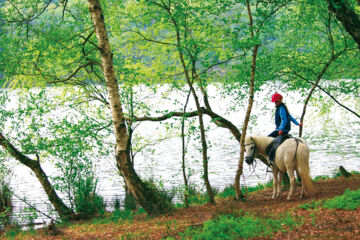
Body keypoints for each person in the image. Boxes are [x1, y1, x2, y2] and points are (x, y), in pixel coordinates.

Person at [266, 93, 302, 164]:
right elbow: (290, 117)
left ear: (280, 100)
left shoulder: (281, 108)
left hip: (281, 130)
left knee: (268, 139)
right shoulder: (282, 107)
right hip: (285, 129)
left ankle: (272, 159)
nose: (275, 103)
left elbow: (284, 119)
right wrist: (297, 123)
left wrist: (281, 129)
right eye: (274, 102)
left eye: (276, 101)